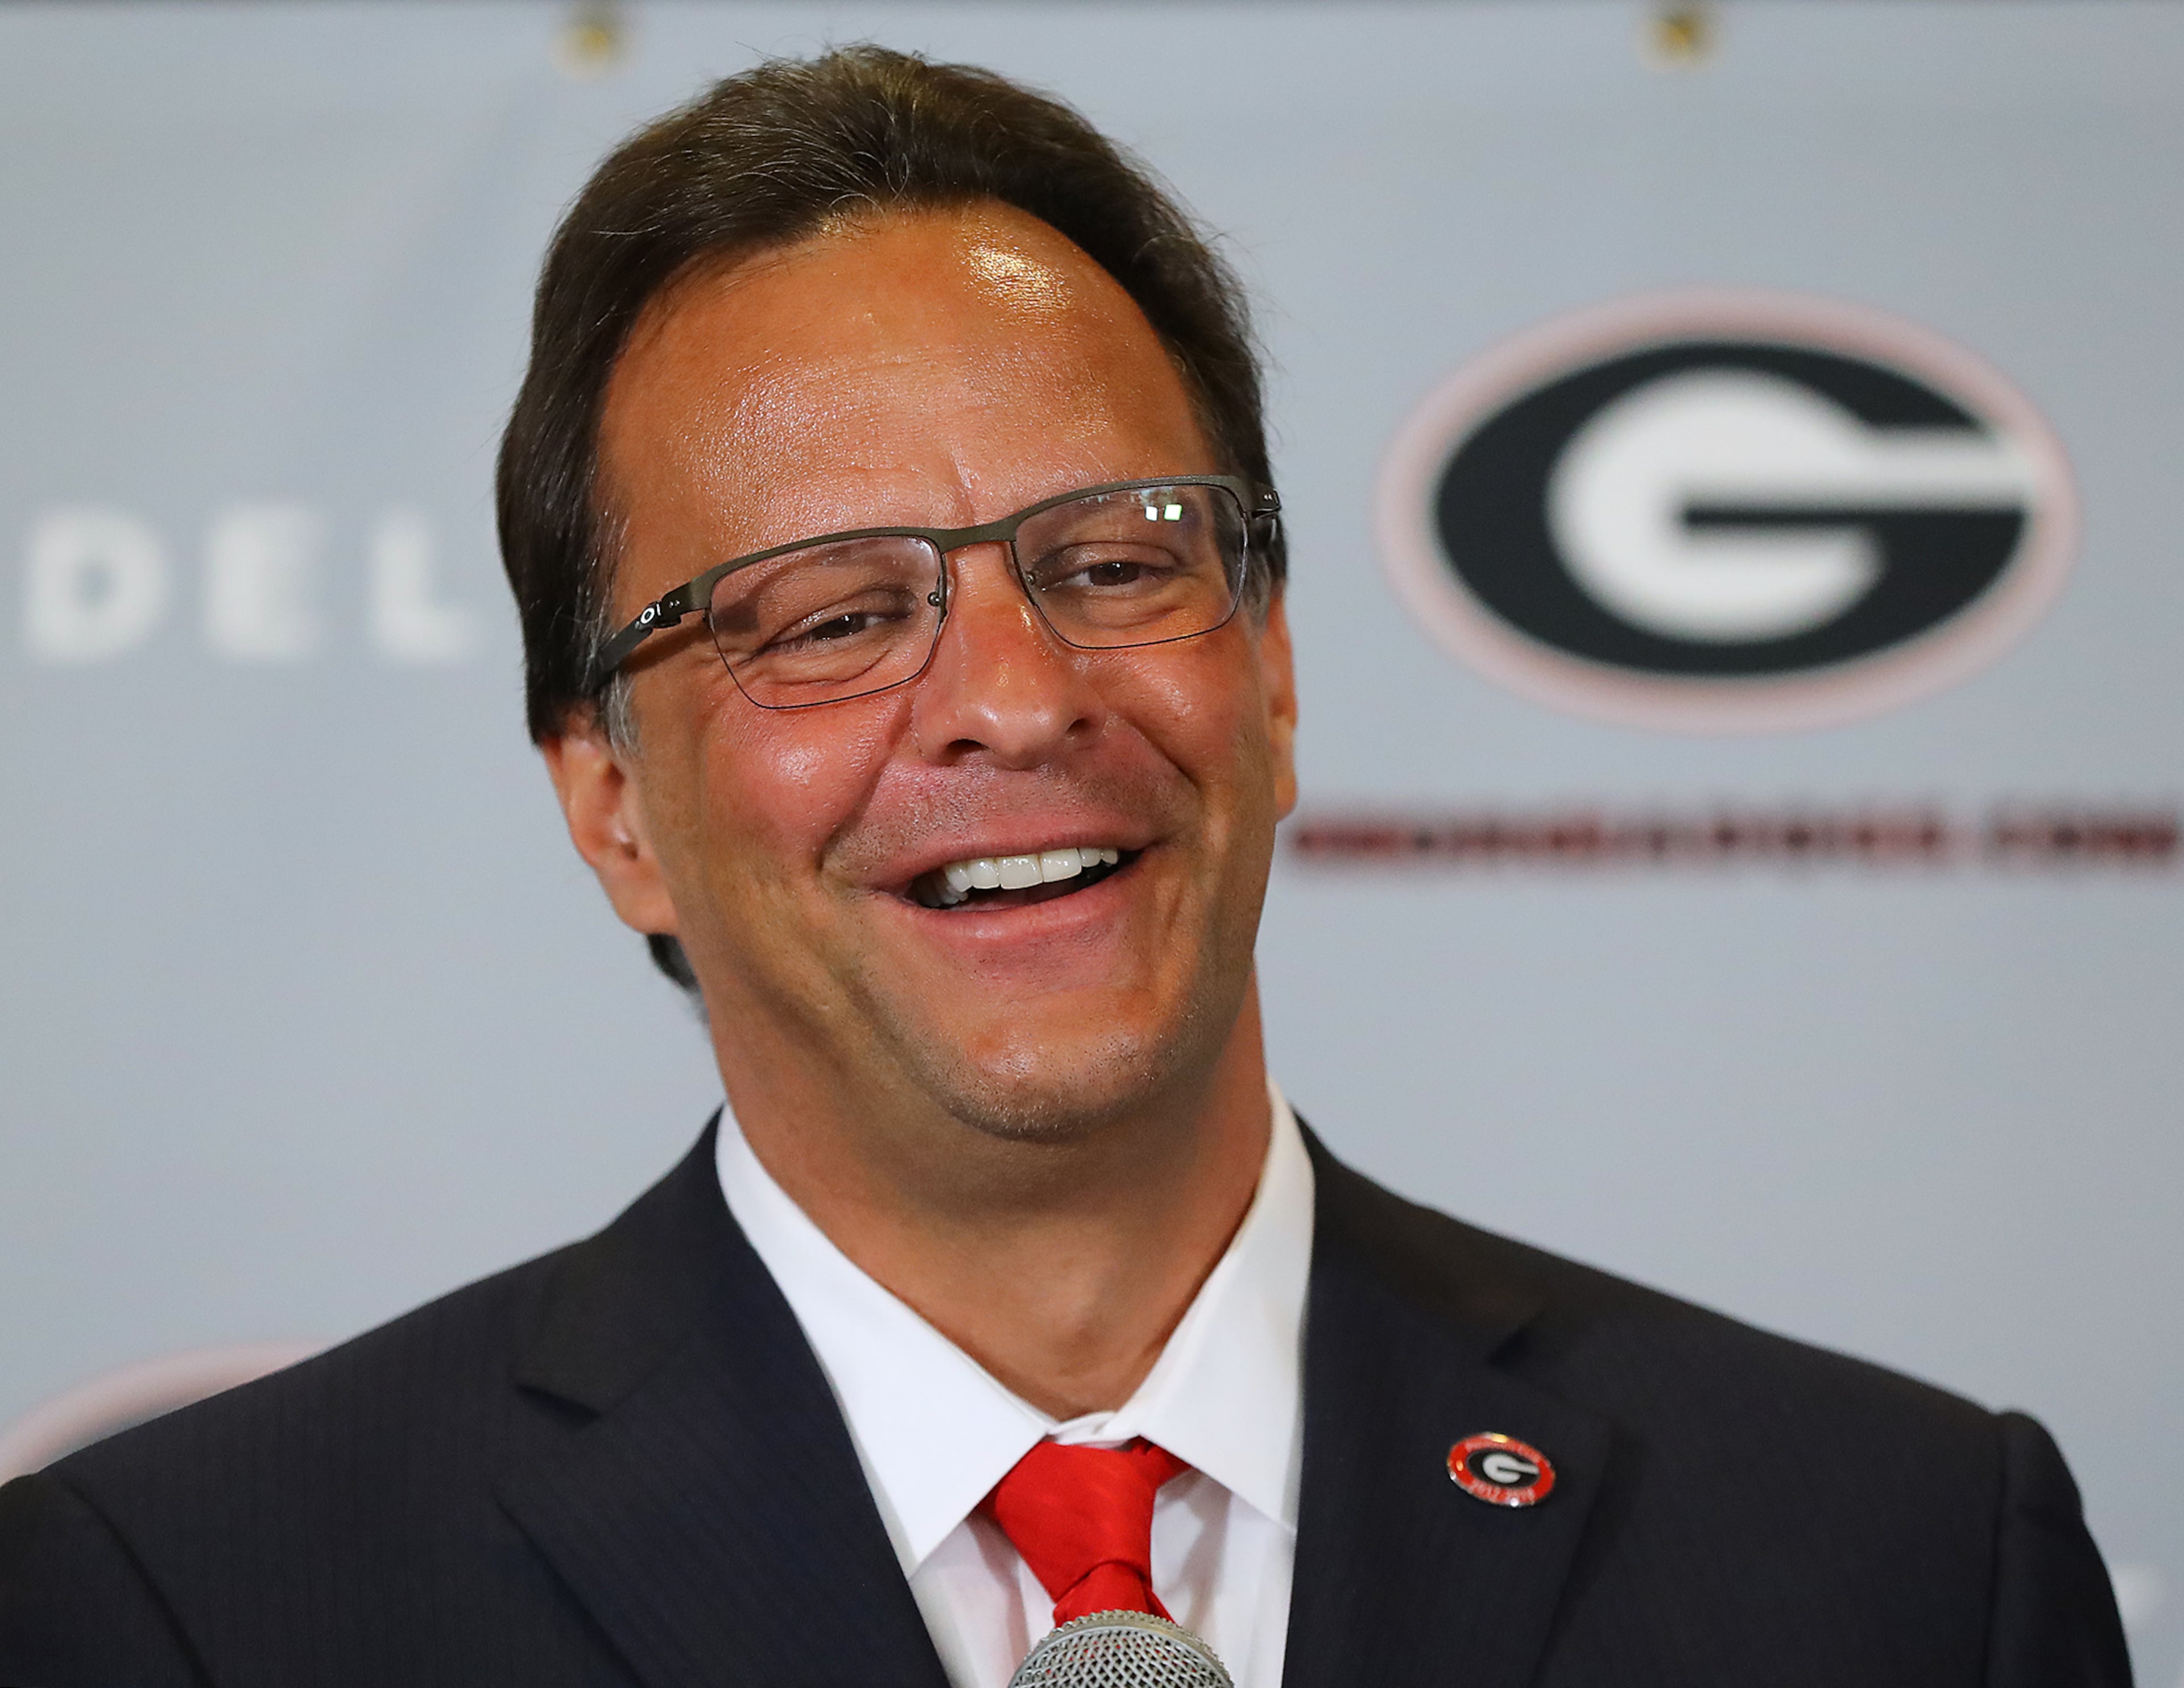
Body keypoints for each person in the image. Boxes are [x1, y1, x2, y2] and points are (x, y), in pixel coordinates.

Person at [0, 45, 2132, 1688]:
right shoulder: (188, 1607)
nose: (1014, 700)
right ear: (611, 803)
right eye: (828, 615)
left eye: (1117, 561)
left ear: (1276, 676)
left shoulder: (1905, 1563)